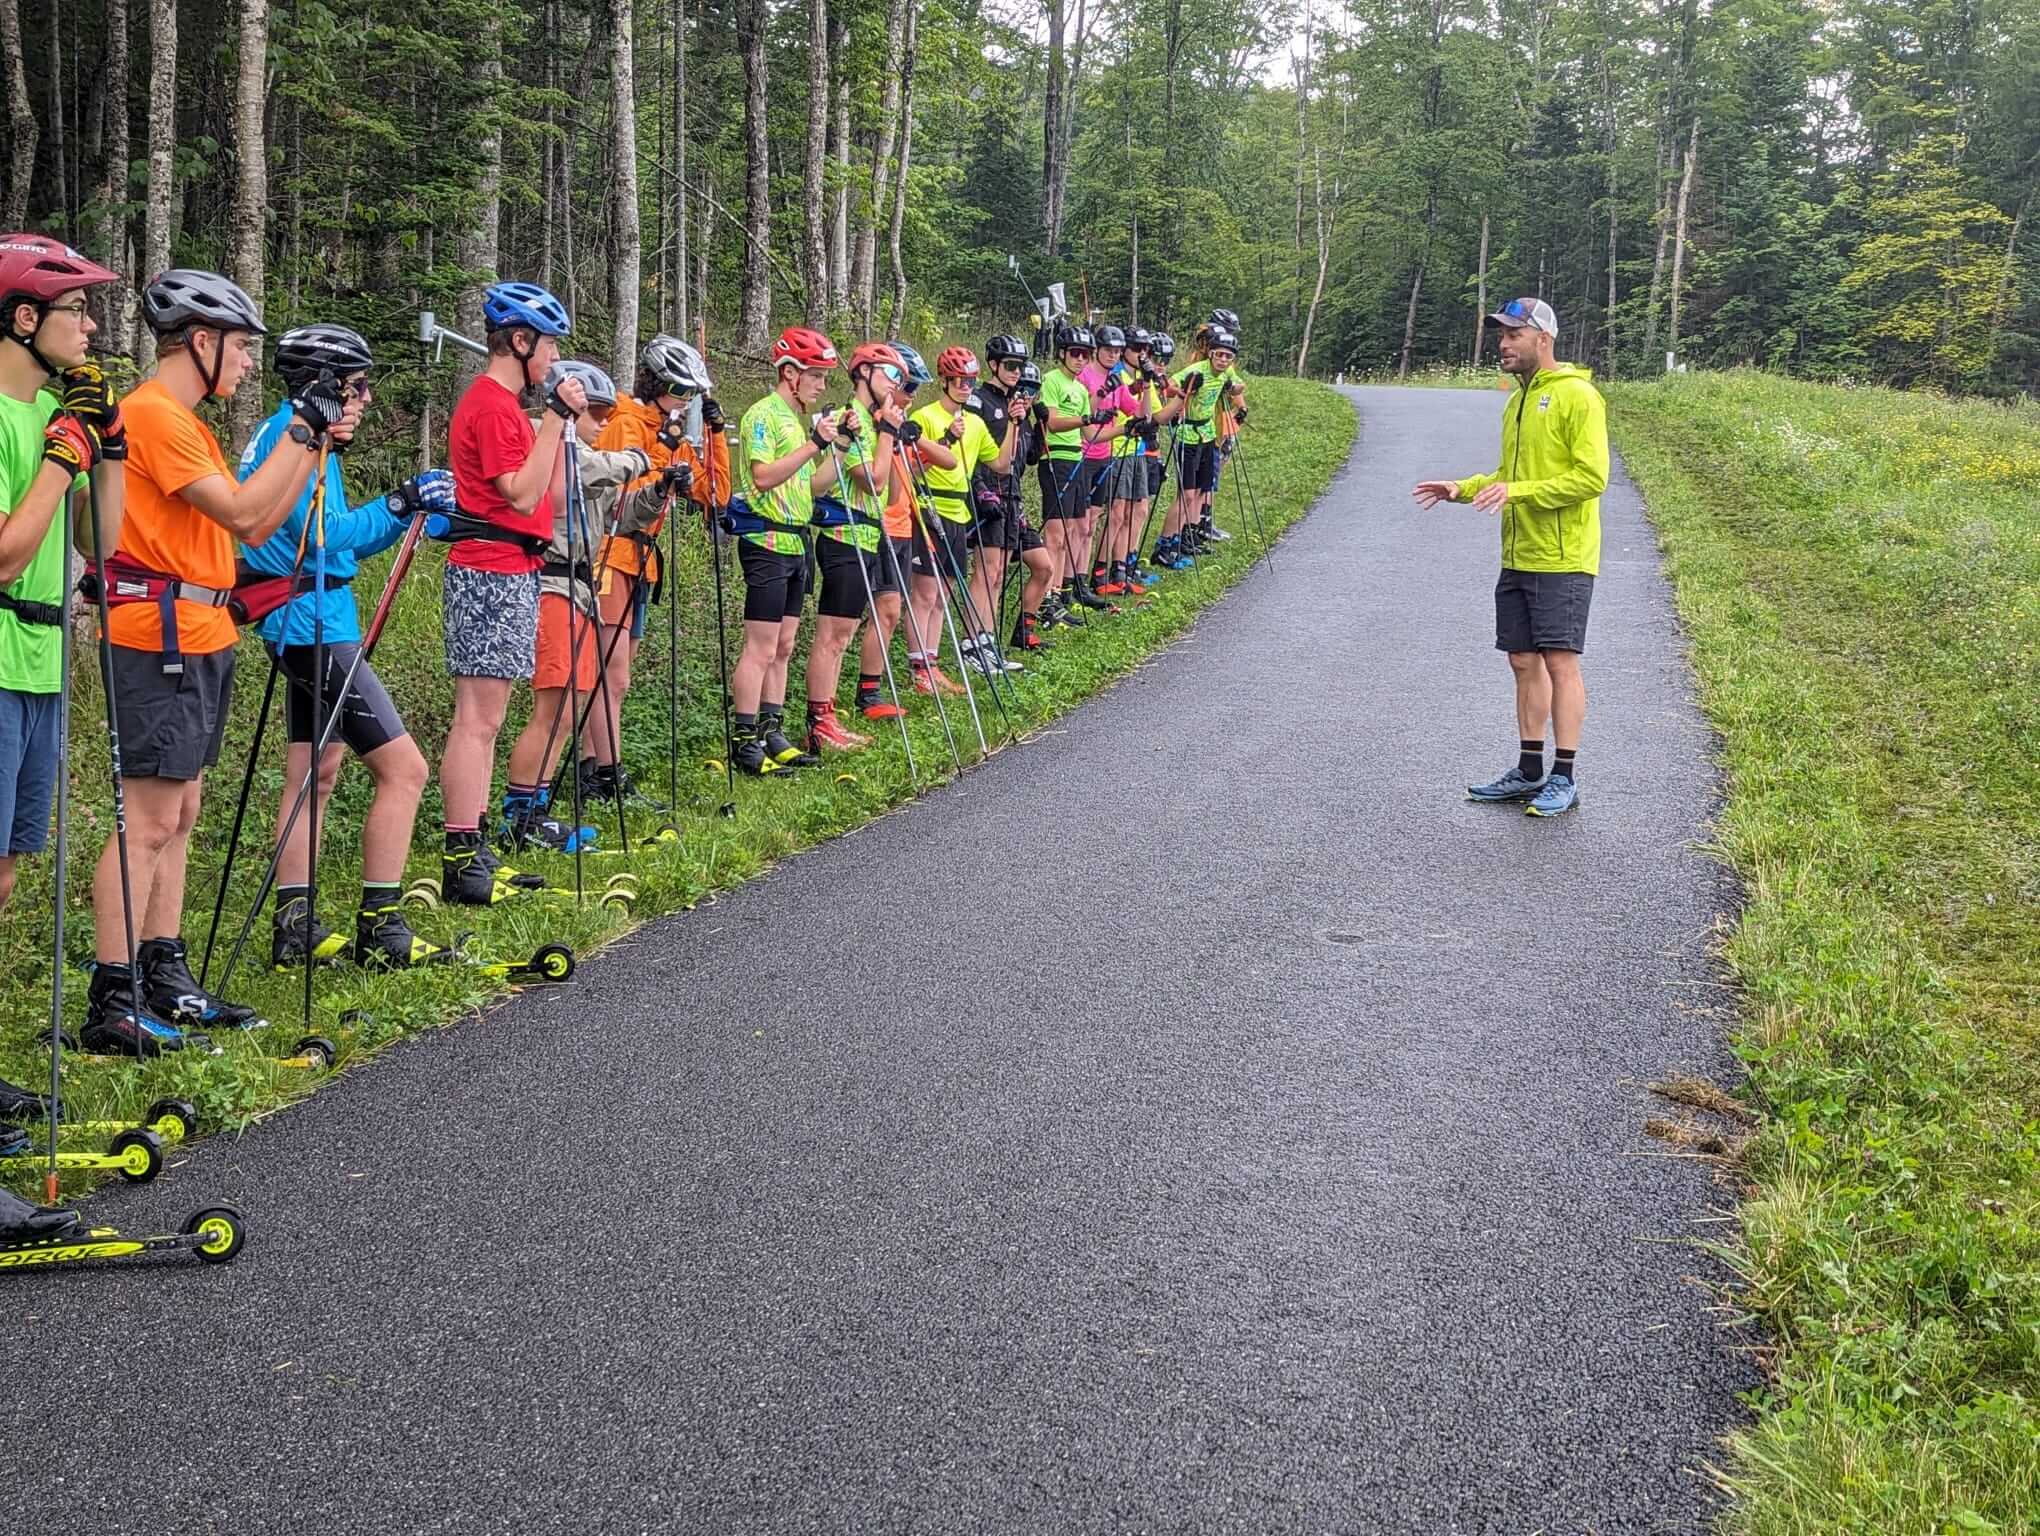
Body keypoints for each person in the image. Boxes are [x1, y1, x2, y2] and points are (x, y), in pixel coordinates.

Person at [84, 269, 328, 1048]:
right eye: (242, 348)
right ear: (201, 341)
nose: (250, 363)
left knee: (181, 812)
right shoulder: (155, 415)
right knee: (149, 819)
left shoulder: (185, 420)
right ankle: (113, 995)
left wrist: (316, 441)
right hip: (156, 636)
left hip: (199, 633)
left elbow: (258, 522)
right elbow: (248, 517)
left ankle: (164, 972)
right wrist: (300, 433)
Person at [238, 323, 450, 970]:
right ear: (322, 386)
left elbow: (340, 541)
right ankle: (381, 925)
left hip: (314, 618)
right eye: (356, 387)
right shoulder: (294, 438)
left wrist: (409, 514)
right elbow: (328, 535)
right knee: (406, 771)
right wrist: (401, 499)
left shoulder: (302, 437)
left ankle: (294, 925)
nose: (366, 399)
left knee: (314, 772)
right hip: (311, 627)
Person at [0, 233, 125, 1094]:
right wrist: (60, 456)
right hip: (3, 652)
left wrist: (107, 446)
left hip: (42, 662)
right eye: (75, 310)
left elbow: (99, 540)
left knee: (7, 874)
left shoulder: (54, 413)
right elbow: (7, 558)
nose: (91, 327)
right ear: (23, 318)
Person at [1412, 296, 1608, 818]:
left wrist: (1518, 493)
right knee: (1522, 660)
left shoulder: (1578, 396)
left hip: (1564, 556)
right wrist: (1461, 488)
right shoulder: (1517, 399)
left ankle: (1564, 777)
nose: (1502, 344)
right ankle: (1528, 771)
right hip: (1519, 551)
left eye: (1513, 335)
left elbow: (1591, 478)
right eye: (1500, 335)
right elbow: (1508, 476)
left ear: (1543, 339)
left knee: (1560, 662)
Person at [436, 280, 586, 904]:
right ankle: (460, 850)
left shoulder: (509, 410)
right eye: (549, 345)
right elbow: (520, 496)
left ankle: (474, 845)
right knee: (477, 719)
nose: (555, 358)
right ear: (519, 342)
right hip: (489, 567)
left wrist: (560, 432)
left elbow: (548, 497)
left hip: (514, 566)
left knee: (489, 720)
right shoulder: (494, 407)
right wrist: (554, 418)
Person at [583, 334, 727, 805]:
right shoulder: (625, 422)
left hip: (642, 562)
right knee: (612, 674)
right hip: (610, 555)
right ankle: (606, 775)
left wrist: (715, 434)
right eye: (679, 392)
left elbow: (714, 494)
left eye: (691, 395)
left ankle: (592, 768)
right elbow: (618, 495)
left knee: (615, 676)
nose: (684, 402)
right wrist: (664, 459)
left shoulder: (671, 432)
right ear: (657, 384)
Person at [509, 358, 648, 841]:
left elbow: (617, 515)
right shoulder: (546, 441)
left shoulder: (585, 455)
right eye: (597, 413)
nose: (603, 423)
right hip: (552, 583)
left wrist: (655, 493)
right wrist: (637, 460)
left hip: (583, 587)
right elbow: (588, 470)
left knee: (570, 708)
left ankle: (537, 806)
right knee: (554, 708)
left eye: (608, 414)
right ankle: (520, 813)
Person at [730, 325, 848, 774]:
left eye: (824, 377)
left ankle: (772, 730)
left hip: (797, 540)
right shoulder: (763, 414)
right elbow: (763, 476)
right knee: (760, 646)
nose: (821, 386)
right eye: (816, 376)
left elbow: (812, 486)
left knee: (784, 644)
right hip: (766, 542)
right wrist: (815, 443)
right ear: (790, 373)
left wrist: (837, 447)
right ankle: (745, 738)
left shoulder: (795, 420)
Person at [809, 341, 906, 750]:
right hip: (842, 536)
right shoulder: (847, 419)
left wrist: (892, 437)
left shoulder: (873, 421)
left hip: (867, 535)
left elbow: (894, 493)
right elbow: (874, 481)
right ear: (864, 372)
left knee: (844, 634)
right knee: (832, 635)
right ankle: (818, 720)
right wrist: (885, 433)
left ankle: (828, 715)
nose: (896, 383)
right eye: (891, 374)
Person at [908, 347, 1015, 682]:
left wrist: (1014, 423)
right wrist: (947, 440)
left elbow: (1001, 464)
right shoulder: (925, 417)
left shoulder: (976, 423)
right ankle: (919, 668)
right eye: (958, 380)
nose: (965, 387)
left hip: (959, 510)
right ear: (944, 380)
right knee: (925, 592)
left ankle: (932, 663)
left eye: (970, 381)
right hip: (929, 506)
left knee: (945, 592)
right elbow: (912, 467)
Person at [965, 334, 1054, 657]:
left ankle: (987, 638)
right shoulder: (979, 401)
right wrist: (979, 491)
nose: (1017, 372)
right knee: (987, 571)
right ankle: (973, 641)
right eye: (1011, 366)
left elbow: (1026, 457)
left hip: (1012, 496)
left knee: (1000, 572)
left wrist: (1036, 422)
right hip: (987, 493)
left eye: (1021, 366)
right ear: (993, 365)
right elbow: (970, 453)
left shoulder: (1015, 405)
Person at [1034, 326, 1098, 630]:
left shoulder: (1081, 389)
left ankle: (1057, 596)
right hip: (1056, 458)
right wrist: (1086, 418)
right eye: (1075, 353)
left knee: (1071, 530)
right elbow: (1053, 422)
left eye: (1086, 354)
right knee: (1055, 534)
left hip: (1076, 457)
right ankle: (1045, 599)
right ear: (1062, 353)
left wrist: (1126, 428)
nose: (1080, 359)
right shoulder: (1051, 380)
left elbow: (1089, 434)